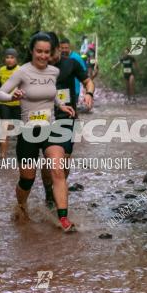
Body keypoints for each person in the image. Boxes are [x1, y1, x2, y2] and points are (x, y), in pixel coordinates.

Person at [0, 32, 77, 232]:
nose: (43, 55)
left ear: (51, 53)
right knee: (27, 179)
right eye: (39, 51)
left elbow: (51, 93)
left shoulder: (53, 72)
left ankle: (63, 219)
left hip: (50, 127)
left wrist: (62, 104)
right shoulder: (22, 72)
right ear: (32, 51)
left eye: (46, 52)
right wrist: (11, 95)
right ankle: (22, 207)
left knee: (57, 170)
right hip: (28, 132)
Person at [39, 35, 94, 209]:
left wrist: (89, 93)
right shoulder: (38, 67)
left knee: (65, 161)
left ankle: (58, 188)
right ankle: (49, 191)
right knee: (50, 162)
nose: (51, 56)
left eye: (53, 51)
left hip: (68, 118)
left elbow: (88, 81)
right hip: (44, 119)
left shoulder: (71, 63)